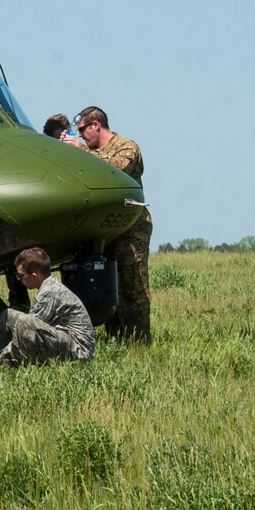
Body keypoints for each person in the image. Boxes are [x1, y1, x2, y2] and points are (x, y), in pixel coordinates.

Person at [77, 106, 150, 343]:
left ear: (96, 125)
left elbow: (115, 168)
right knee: (110, 283)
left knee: (133, 285)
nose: (81, 137)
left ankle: (139, 339)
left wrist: (80, 153)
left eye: (82, 130)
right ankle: (116, 336)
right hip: (105, 229)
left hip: (130, 228)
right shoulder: (93, 151)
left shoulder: (127, 146)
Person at [0, 246, 96, 366]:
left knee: (25, 322)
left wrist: (1, 358)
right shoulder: (49, 286)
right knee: (8, 315)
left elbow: (27, 332)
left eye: (20, 275)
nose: (19, 279)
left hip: (79, 352)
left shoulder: (49, 293)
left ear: (34, 276)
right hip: (66, 342)